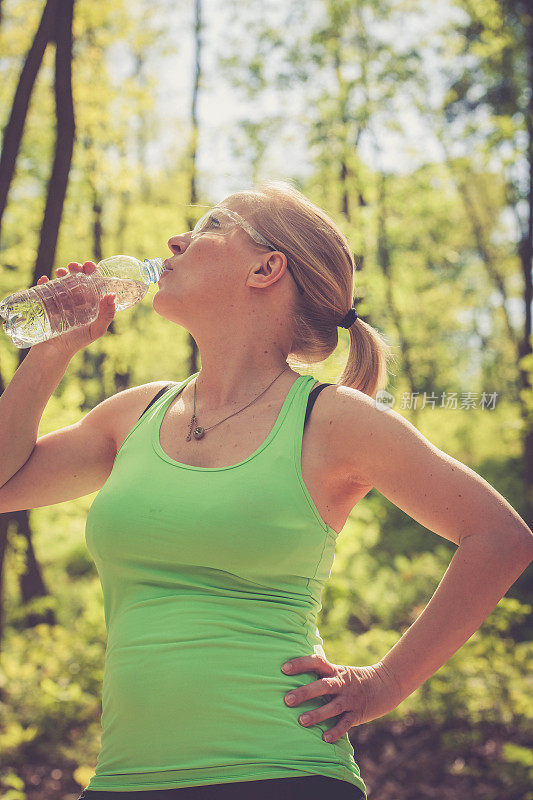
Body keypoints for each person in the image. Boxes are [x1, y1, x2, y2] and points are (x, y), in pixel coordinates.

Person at [1, 180, 531, 800]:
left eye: (212, 226)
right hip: (124, 781)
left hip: (283, 774)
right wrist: (50, 353)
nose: (178, 239)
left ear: (267, 268)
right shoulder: (134, 415)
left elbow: (500, 538)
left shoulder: (332, 419)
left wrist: (384, 685)